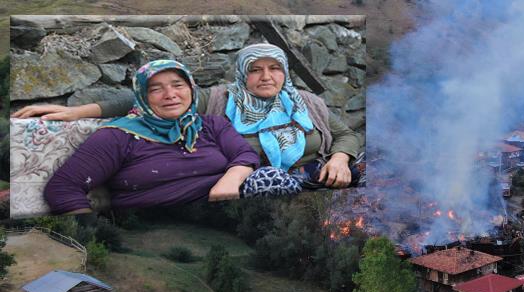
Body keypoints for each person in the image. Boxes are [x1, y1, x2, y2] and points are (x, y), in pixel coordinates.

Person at [14, 43, 362, 189]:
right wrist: (74, 111)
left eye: (275, 69)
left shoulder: (305, 102)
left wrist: (342, 160)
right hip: (252, 185)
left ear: (285, 72)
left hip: (319, 176)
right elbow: (139, 98)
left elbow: (346, 134)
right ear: (242, 74)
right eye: (256, 70)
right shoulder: (217, 99)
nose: (266, 77)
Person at [42, 59, 293, 214]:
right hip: (157, 225)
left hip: (221, 214)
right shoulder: (118, 136)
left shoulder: (211, 125)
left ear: (191, 90)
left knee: (275, 178)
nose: (170, 94)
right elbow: (62, 189)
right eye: (156, 89)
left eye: (178, 85)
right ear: (142, 97)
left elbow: (244, 154)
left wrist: (230, 180)